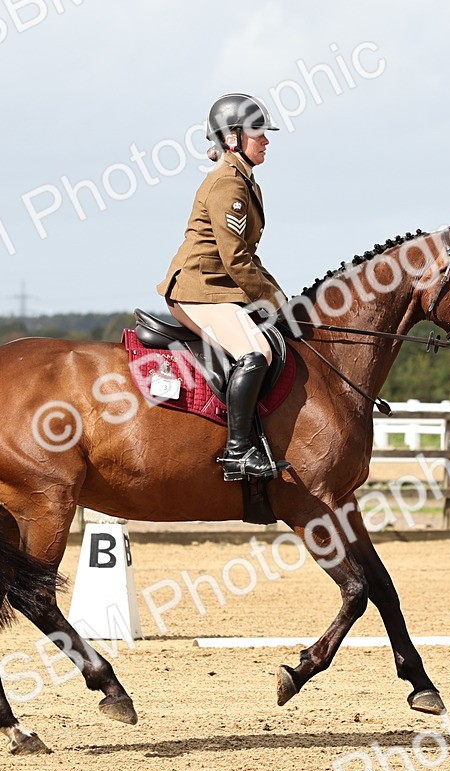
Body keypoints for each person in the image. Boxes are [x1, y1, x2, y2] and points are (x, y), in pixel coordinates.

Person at [156, 93, 289, 481]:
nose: (266, 140)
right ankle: (237, 452)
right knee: (256, 351)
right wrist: (275, 302)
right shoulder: (227, 184)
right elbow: (235, 260)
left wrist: (283, 299)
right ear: (232, 138)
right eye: (258, 133)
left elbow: (249, 256)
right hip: (199, 289)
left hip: (220, 288)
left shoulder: (245, 181)